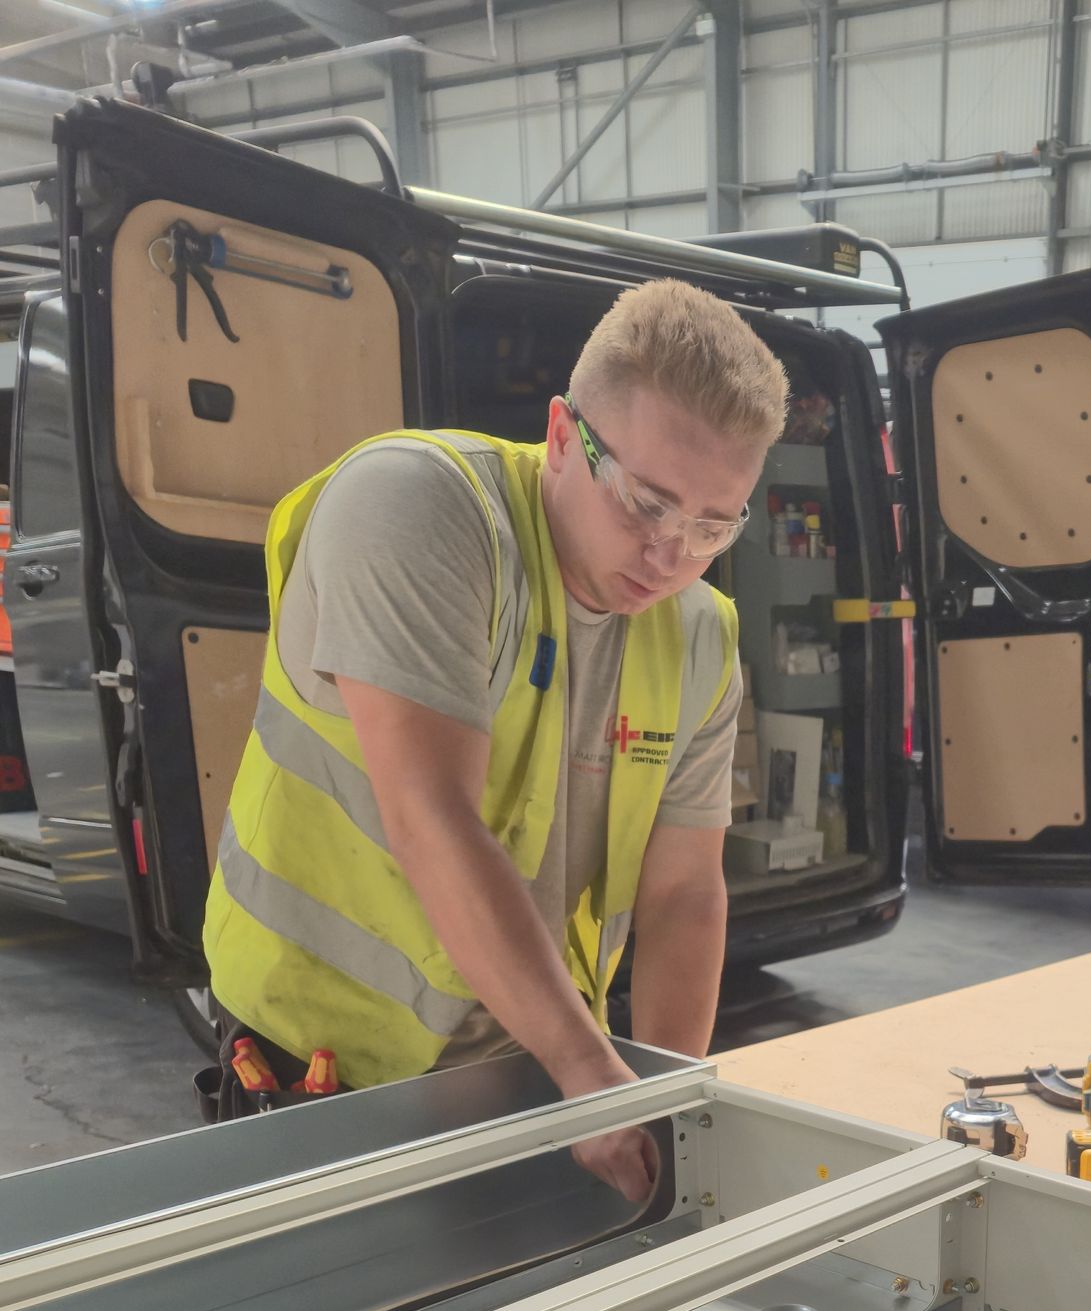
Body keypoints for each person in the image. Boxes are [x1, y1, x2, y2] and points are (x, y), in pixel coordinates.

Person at [201, 277, 789, 1200]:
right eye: (646, 504)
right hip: (315, 1062)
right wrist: (591, 1073)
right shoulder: (415, 507)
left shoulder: (701, 637)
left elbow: (683, 895)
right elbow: (431, 815)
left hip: (526, 1066)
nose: (671, 556)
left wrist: (664, 1104)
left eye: (712, 527)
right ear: (561, 436)